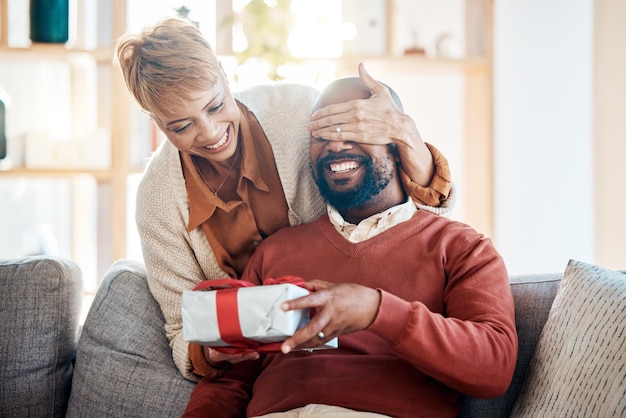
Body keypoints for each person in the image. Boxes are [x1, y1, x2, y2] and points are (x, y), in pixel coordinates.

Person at [115, 16, 455, 382]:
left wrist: (404, 133)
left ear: (225, 77)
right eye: (181, 127)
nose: (210, 133)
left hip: (354, 336)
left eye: (215, 106)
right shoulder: (158, 200)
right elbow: (182, 329)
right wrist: (219, 351)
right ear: (155, 121)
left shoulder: (299, 114)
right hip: (261, 372)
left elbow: (405, 211)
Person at [182, 77, 517, 418]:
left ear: (398, 142)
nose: (335, 143)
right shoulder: (275, 251)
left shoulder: (462, 248)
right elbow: (229, 382)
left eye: (353, 127)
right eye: (320, 134)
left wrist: (377, 311)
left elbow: (494, 366)